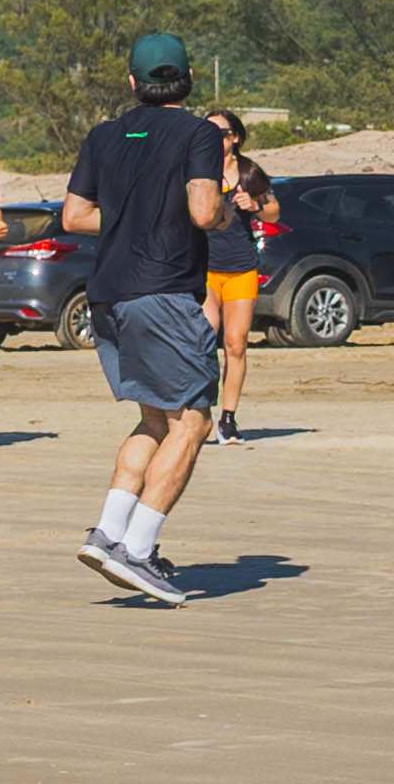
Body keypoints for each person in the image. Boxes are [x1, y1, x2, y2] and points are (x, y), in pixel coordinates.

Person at [60, 33, 234, 608]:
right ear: (188, 80)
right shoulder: (200, 133)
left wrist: (129, 218)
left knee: (155, 420)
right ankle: (137, 548)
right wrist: (228, 210)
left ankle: (108, 532)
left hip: (107, 294)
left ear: (132, 83)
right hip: (163, 291)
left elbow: (75, 215)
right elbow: (205, 210)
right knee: (193, 422)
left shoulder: (104, 135)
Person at [200, 110, 285, 446]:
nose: (214, 139)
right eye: (206, 132)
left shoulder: (249, 172)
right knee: (205, 338)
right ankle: (199, 413)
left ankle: (229, 419)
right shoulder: (196, 171)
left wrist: (254, 205)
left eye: (219, 133)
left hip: (240, 266)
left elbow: (274, 210)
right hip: (203, 268)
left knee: (236, 344)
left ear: (234, 137)